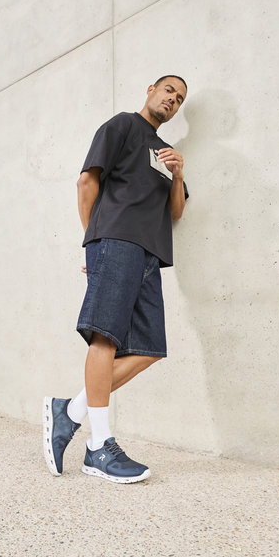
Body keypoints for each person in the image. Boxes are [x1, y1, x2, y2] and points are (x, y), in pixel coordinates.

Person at [43, 76, 189, 483]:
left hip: (150, 255)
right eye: (168, 91)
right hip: (116, 241)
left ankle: (70, 411)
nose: (172, 100)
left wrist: (178, 175)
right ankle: (97, 446)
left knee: (148, 349)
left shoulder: (166, 154)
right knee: (105, 338)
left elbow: (175, 213)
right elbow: (86, 181)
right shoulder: (123, 124)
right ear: (150, 90)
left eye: (179, 99)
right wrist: (96, 241)